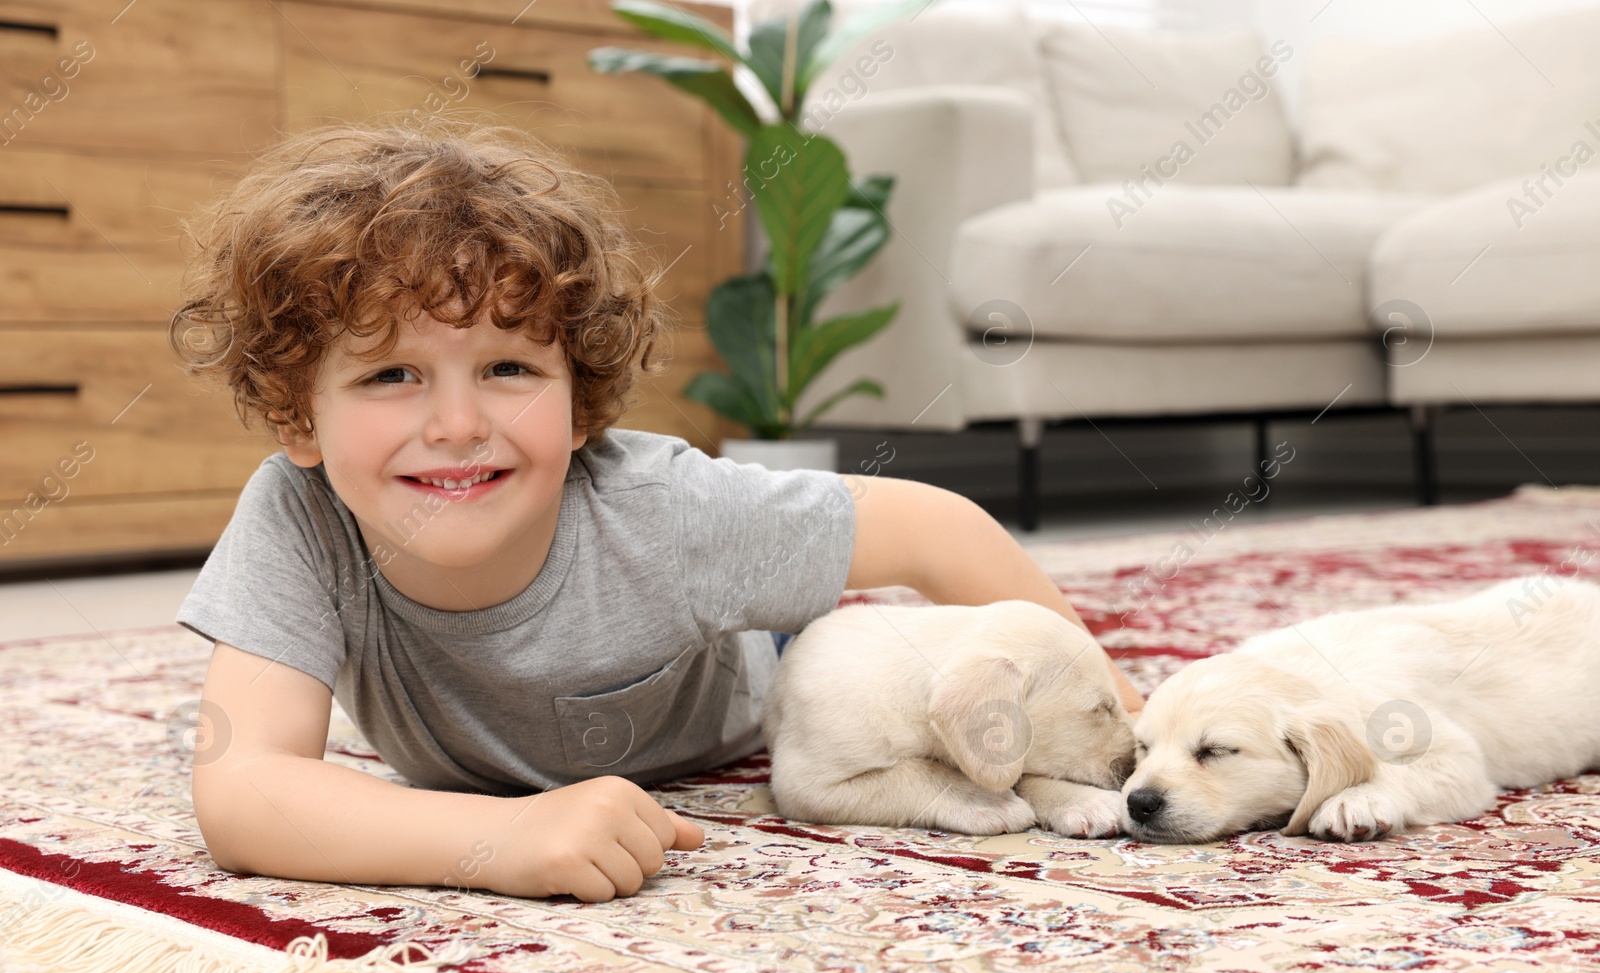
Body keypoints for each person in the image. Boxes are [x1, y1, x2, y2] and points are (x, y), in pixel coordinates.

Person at [168, 115, 1144, 904]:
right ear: (300, 415)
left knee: (893, 656)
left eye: (509, 366)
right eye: (391, 374)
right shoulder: (297, 514)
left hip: (761, 670)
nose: (458, 423)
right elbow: (246, 788)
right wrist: (498, 838)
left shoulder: (663, 508)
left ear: (579, 395)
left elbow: (939, 529)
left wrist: (1125, 708)